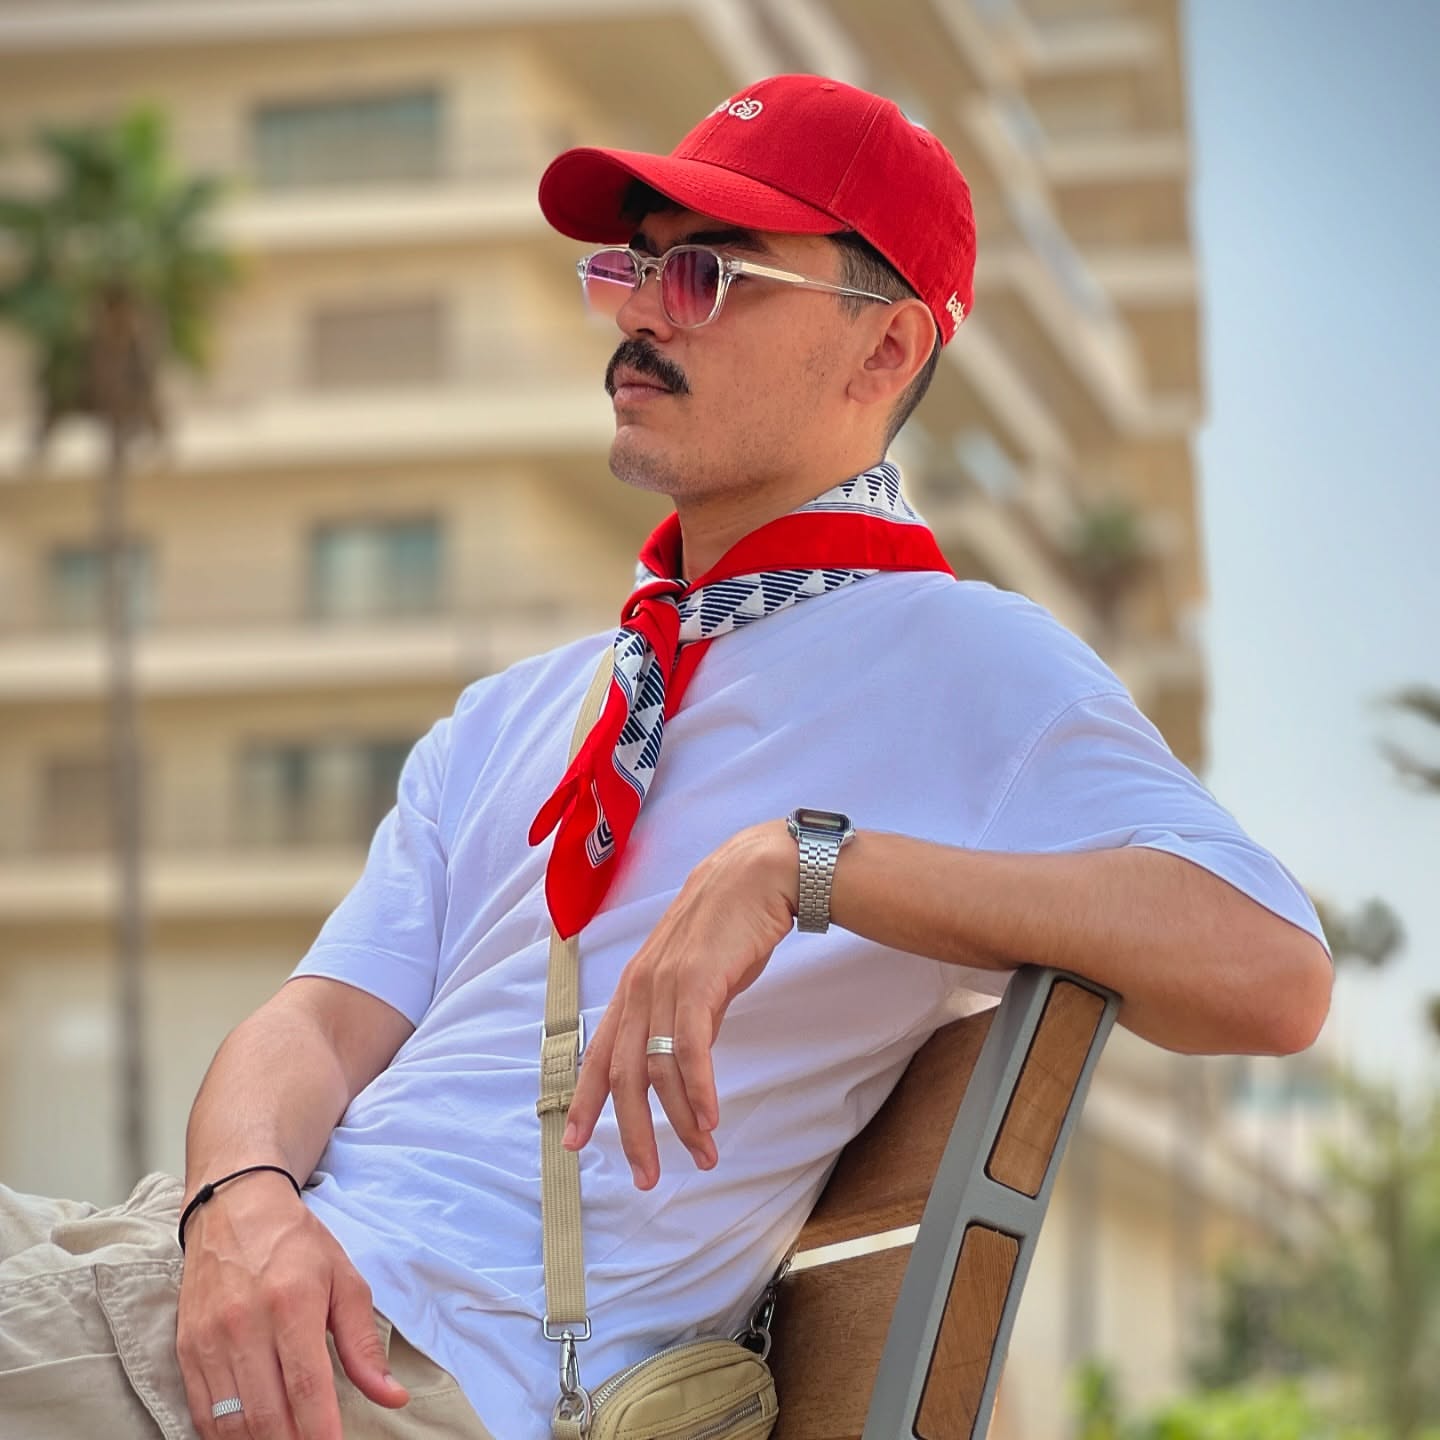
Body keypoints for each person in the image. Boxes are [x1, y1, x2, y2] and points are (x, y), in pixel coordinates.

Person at [0, 74, 1331, 1440]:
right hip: (216, 1264)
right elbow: (314, 1026)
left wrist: (808, 866)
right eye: (634, 266)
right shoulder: (520, 710)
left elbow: (1273, 971)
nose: (640, 310)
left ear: (885, 350)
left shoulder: (964, 662)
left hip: (406, 1368)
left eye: (707, 272)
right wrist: (238, 1202)